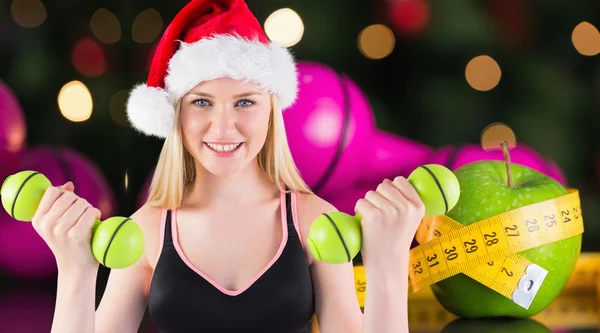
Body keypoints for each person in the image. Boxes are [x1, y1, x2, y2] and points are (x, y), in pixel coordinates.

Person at [38, 0, 425, 332]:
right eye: (202, 102)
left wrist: (387, 262)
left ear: (271, 112)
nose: (223, 128)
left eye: (244, 102)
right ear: (176, 114)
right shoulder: (148, 229)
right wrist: (75, 269)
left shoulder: (314, 221)